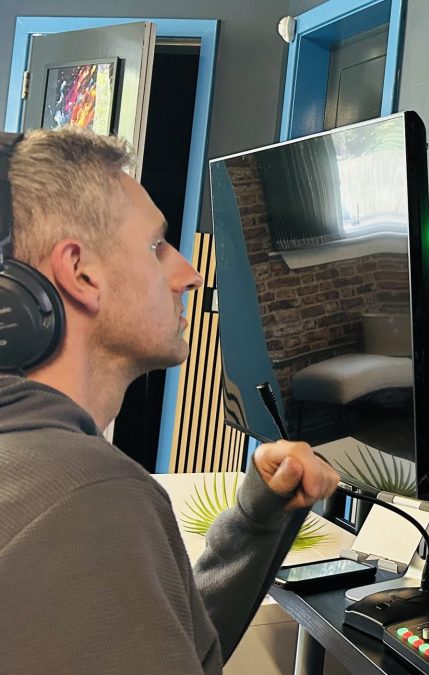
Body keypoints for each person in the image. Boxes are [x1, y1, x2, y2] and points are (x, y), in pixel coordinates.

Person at [0, 128, 340, 674]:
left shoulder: (37, 476)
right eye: (157, 246)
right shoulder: (89, 497)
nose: (188, 272)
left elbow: (164, 646)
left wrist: (256, 520)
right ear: (81, 272)